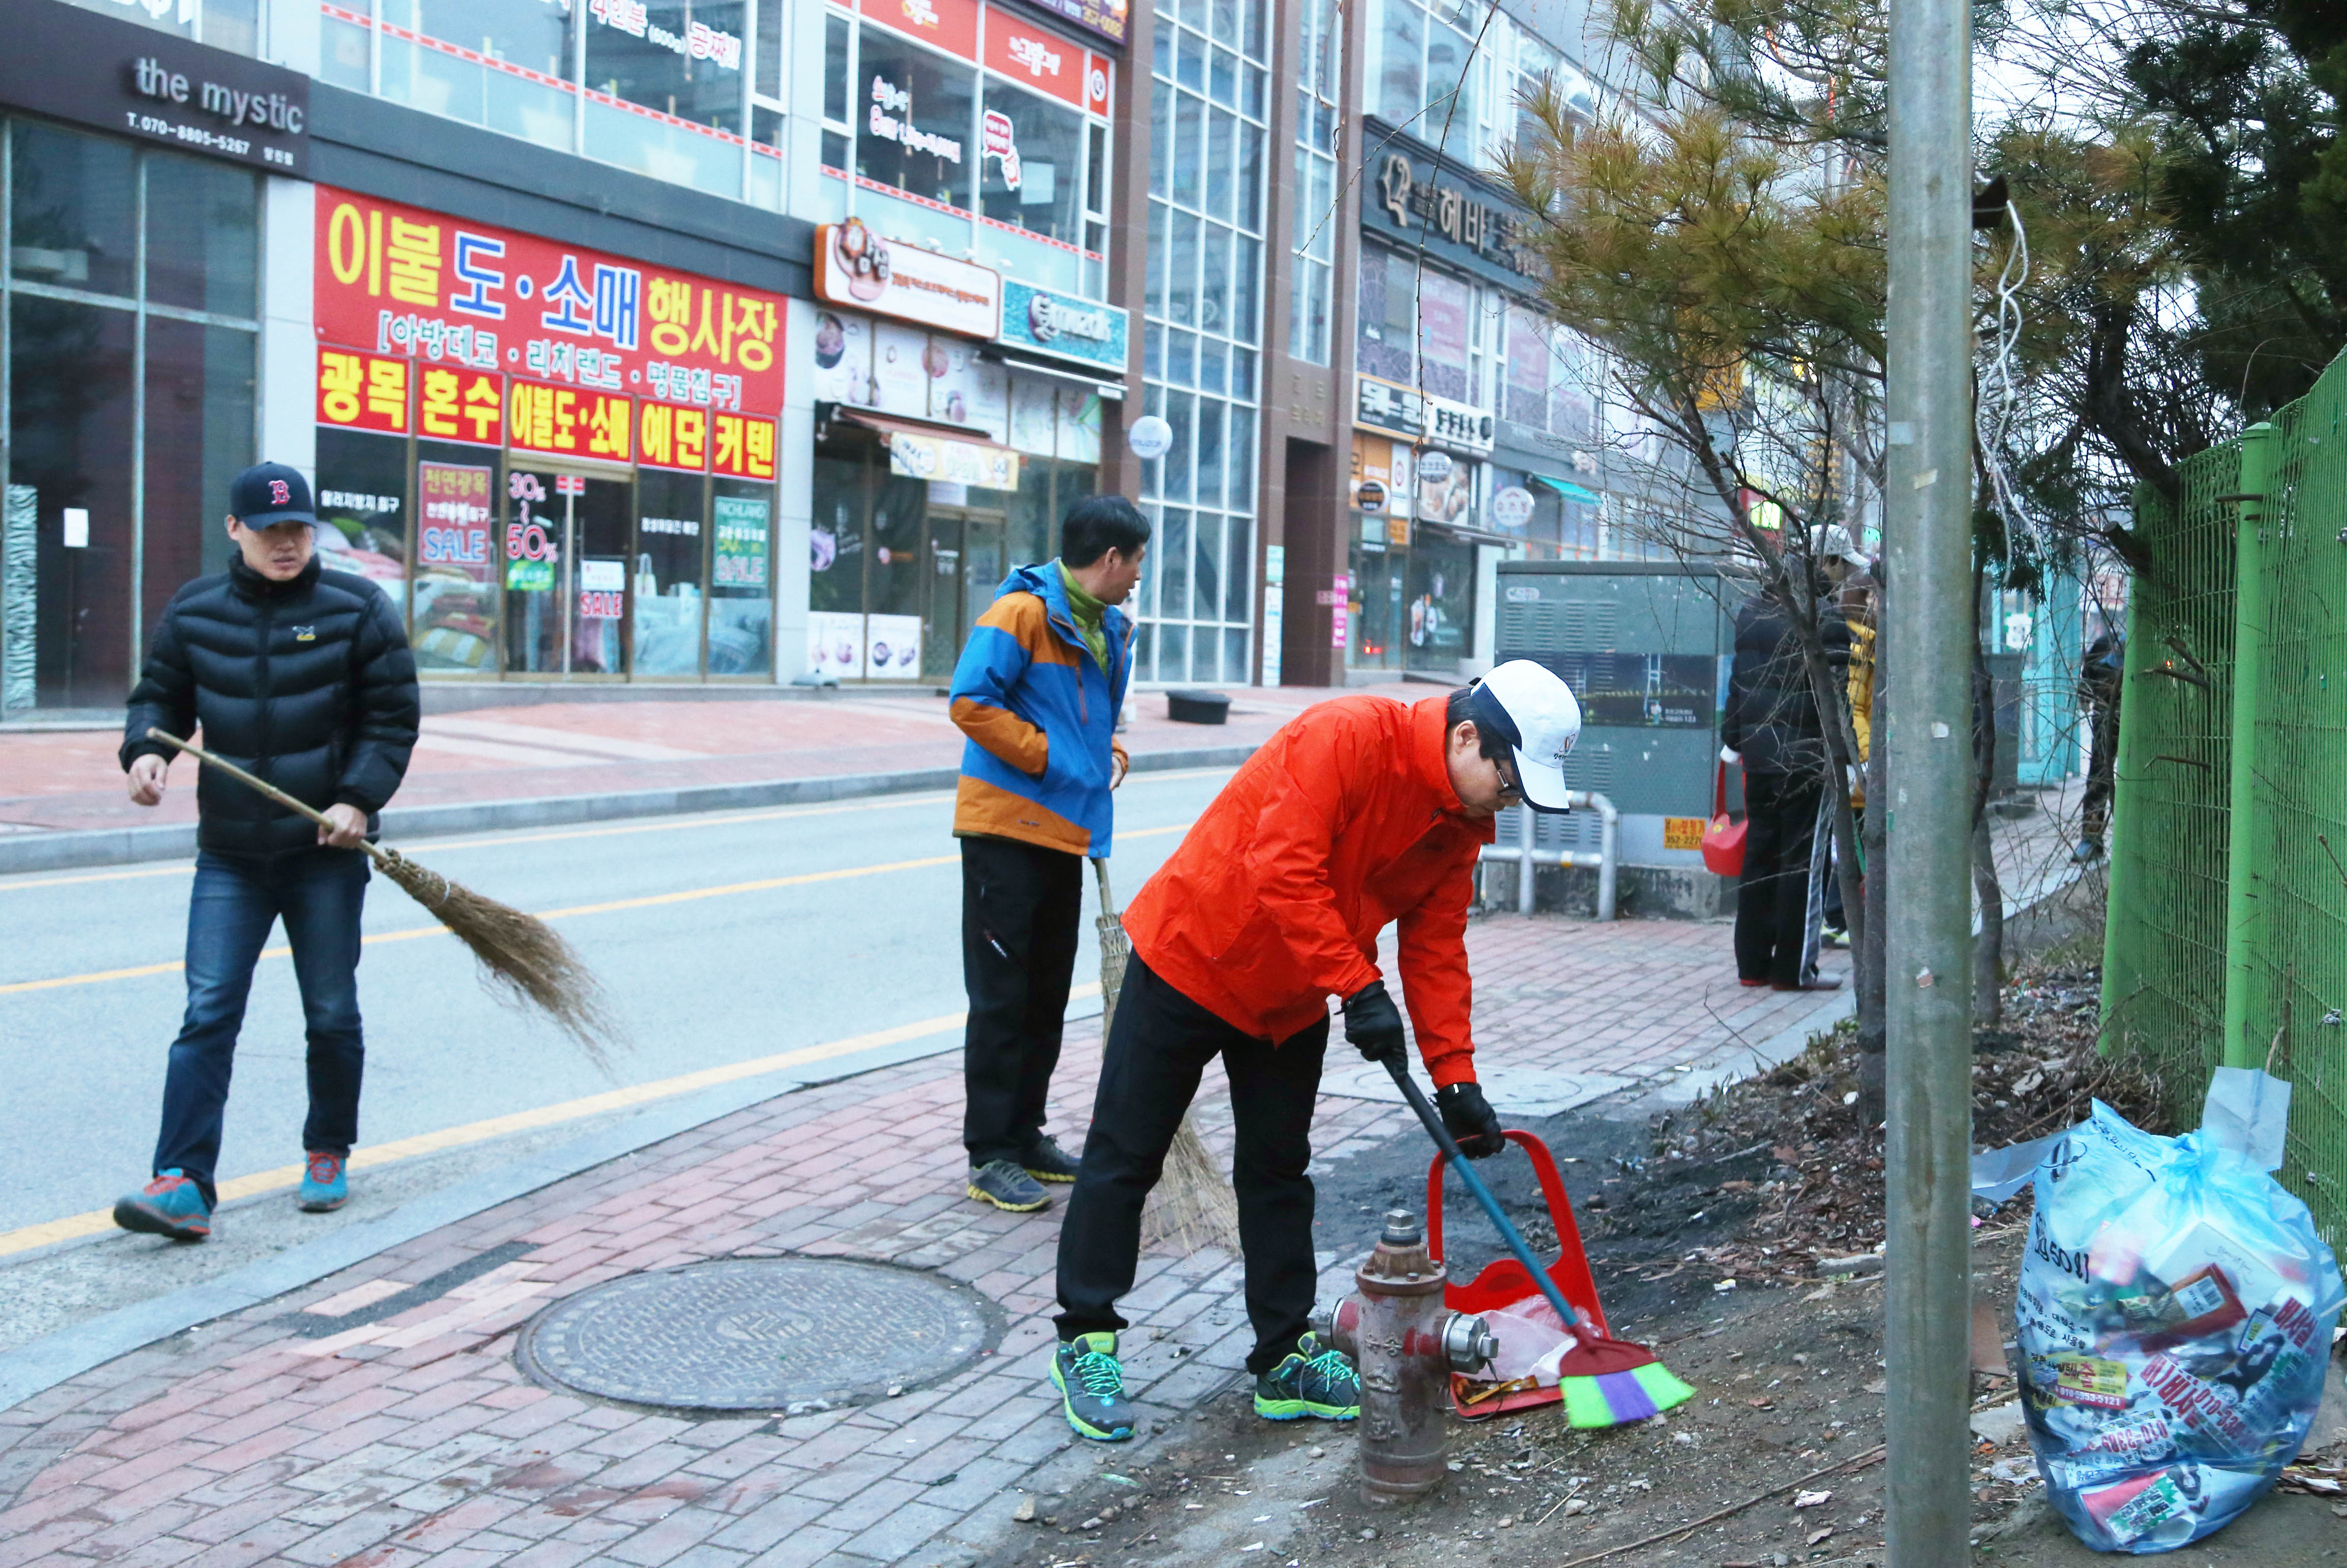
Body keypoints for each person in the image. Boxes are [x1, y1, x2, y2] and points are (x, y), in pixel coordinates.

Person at [1043, 661, 1583, 1442]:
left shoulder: (1460, 825)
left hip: (1291, 995)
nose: (1508, 803)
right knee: (1127, 1153)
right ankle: (1086, 1338)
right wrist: (1358, 987)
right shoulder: (1348, 736)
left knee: (1278, 1171)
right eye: (1508, 783)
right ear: (1468, 737)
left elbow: (1436, 947)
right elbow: (1283, 868)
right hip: (1195, 955)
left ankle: (1282, 1356)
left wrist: (1455, 1078)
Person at [112, 463, 419, 1242]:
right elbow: (160, 698)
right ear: (235, 530)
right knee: (208, 1011)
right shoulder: (195, 610)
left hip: (325, 849)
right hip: (231, 855)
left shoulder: (359, 608)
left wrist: (357, 798)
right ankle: (182, 1181)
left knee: (329, 1010)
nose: (287, 544)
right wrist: (147, 754)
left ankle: (326, 1149)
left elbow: (392, 718)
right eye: (270, 530)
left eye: (298, 530)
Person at [948, 496, 1150, 1214]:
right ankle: (990, 1152)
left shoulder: (1111, 629)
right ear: (1110, 559)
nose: (1136, 578)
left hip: (1066, 832)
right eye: (1136, 563)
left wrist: (1107, 753)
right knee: (1002, 998)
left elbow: (1091, 719)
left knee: (1043, 995)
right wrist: (1048, 758)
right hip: (1004, 831)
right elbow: (970, 700)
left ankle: (1025, 1134)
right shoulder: (1021, 613)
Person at [1722, 546, 1850, 991]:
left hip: (1759, 759)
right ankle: (1795, 969)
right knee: (1805, 864)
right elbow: (1835, 701)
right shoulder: (1826, 620)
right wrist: (1847, 758)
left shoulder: (1752, 613)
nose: (1843, 578)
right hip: (1807, 762)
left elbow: (1739, 682)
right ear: (1823, 570)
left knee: (1759, 857)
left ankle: (1753, 966)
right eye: (1840, 568)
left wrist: (1734, 739)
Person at [2075, 627, 2124, 861]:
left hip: (2137, 719)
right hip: (2106, 720)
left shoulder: (2151, 645)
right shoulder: (2105, 645)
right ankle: (2091, 840)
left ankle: (2093, 841)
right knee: (2099, 775)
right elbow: (2085, 690)